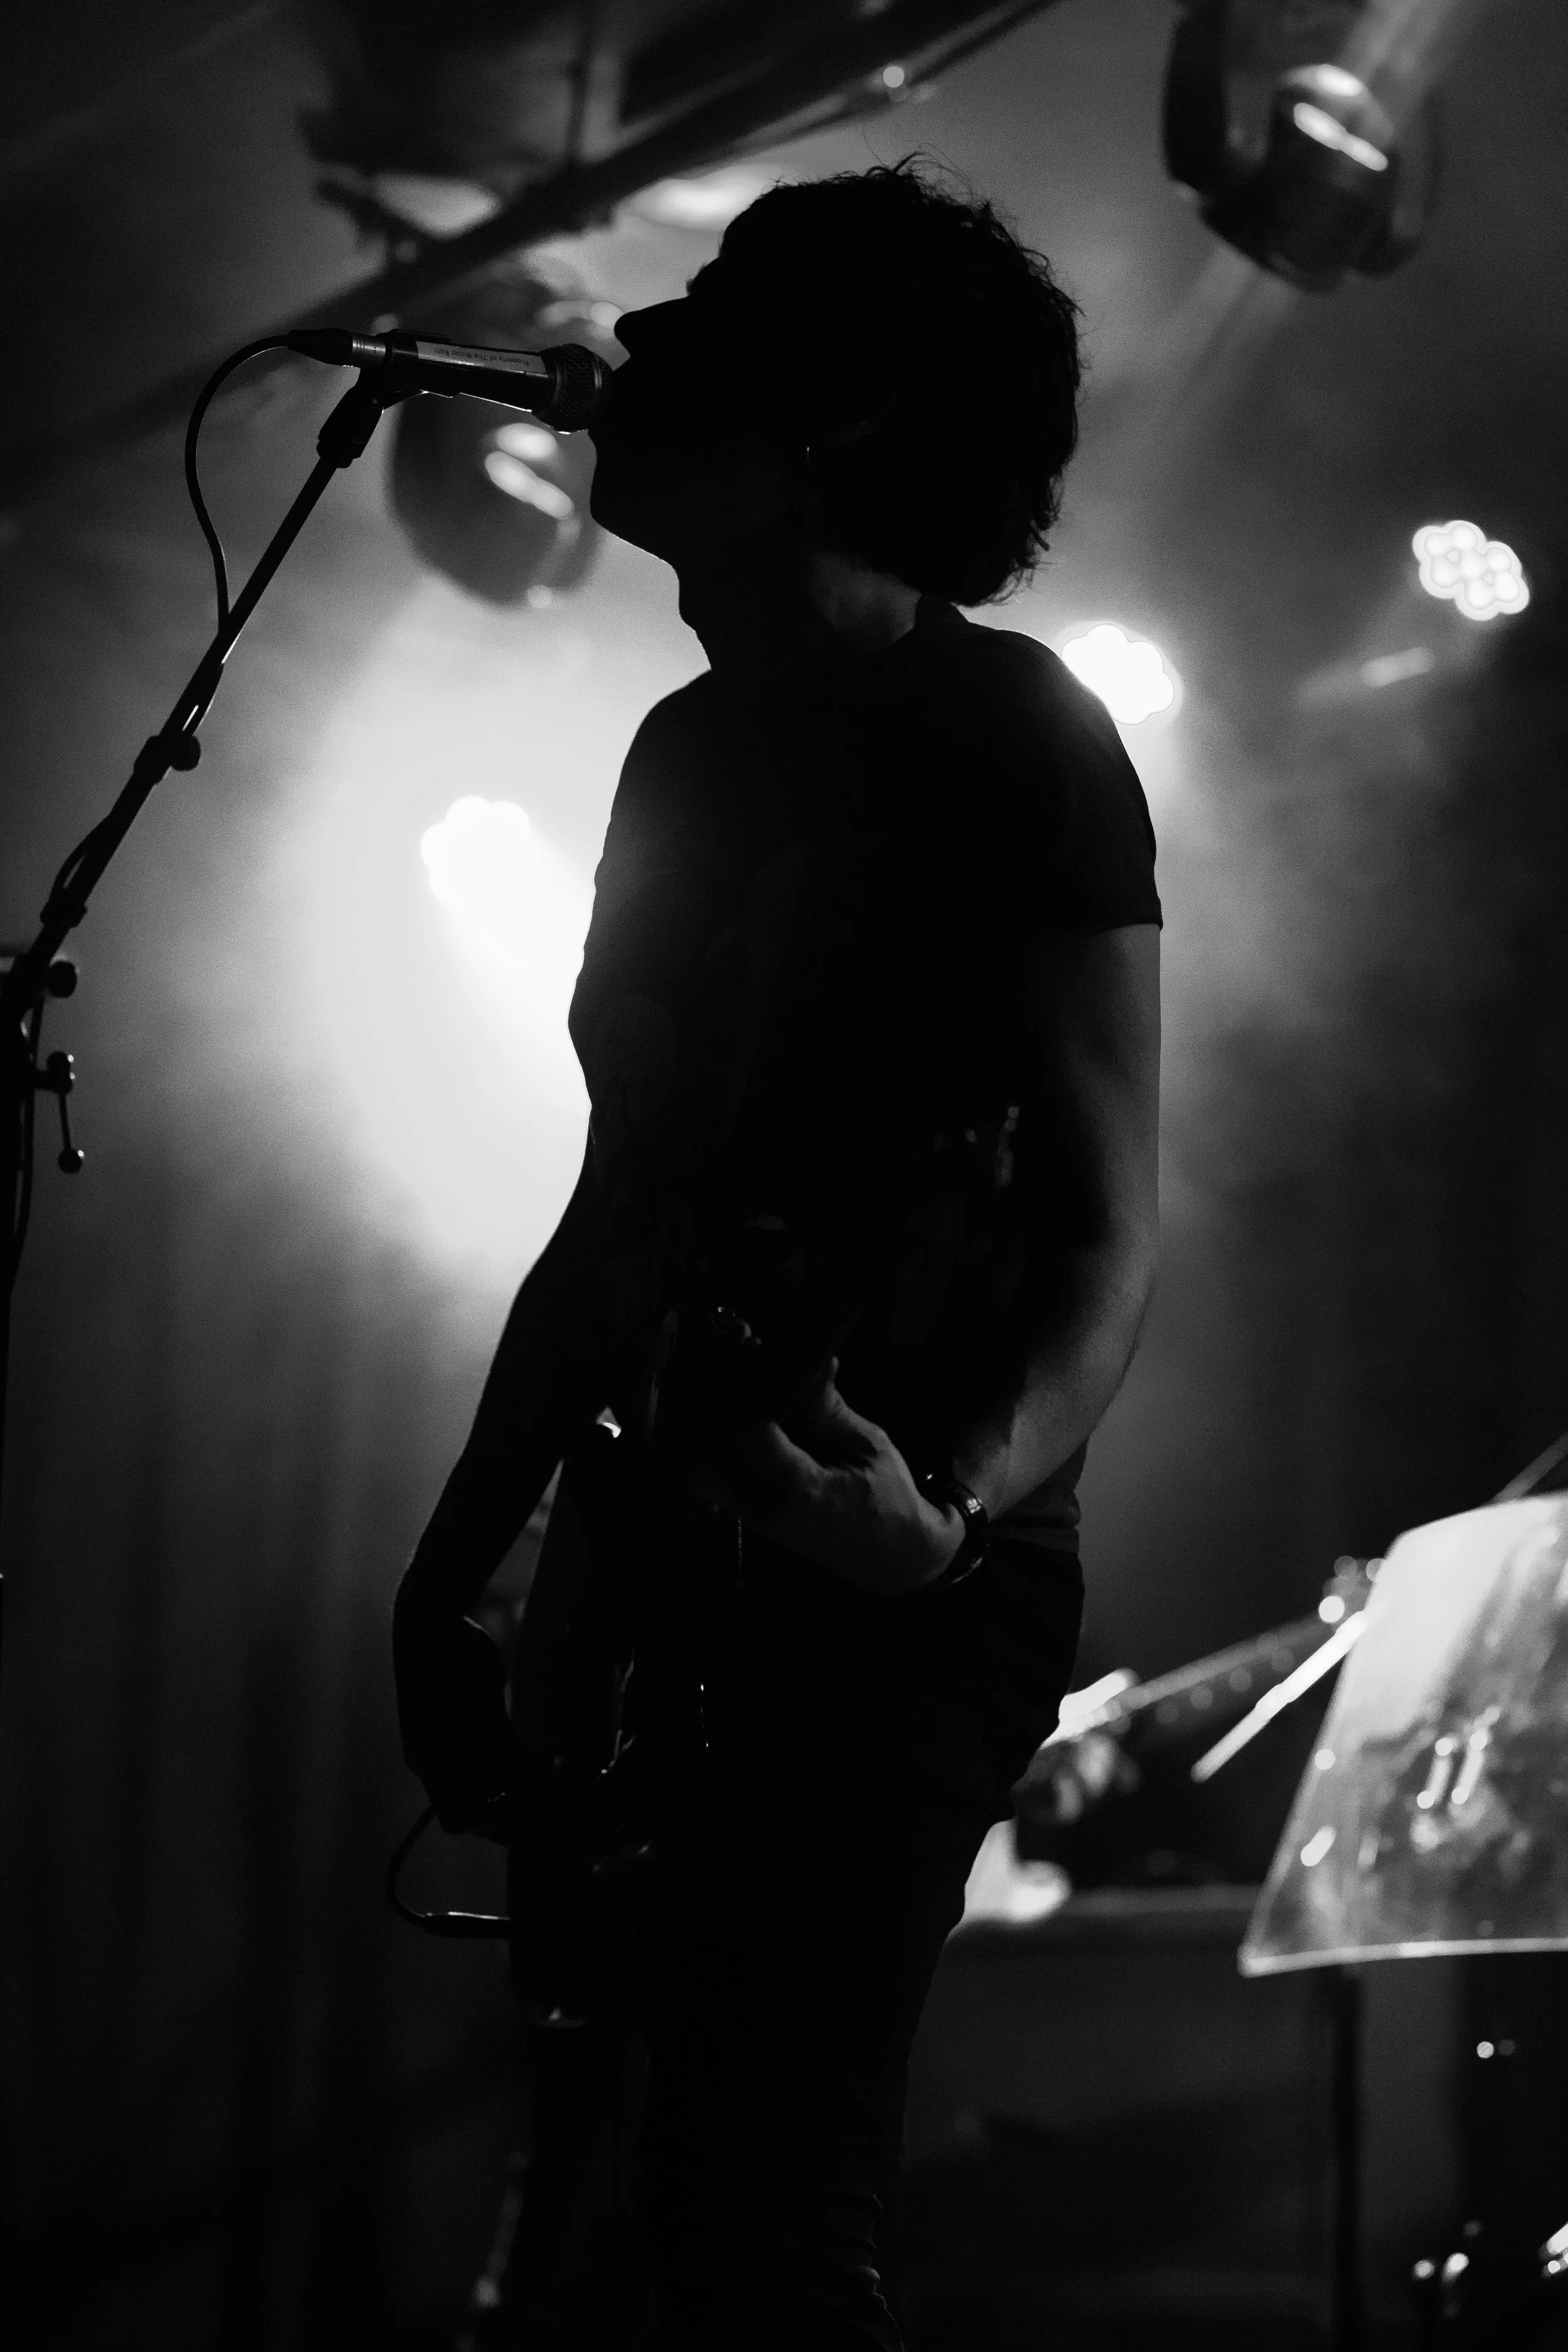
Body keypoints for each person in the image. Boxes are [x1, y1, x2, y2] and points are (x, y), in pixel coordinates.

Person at [393, 162, 1162, 2351]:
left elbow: (1111, 1220)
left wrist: (940, 1513)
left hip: (900, 1582)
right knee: (590, 2214)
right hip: (656, 1560)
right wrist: (461, 1554)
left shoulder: (1016, 733)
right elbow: (619, 1195)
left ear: (835, 409)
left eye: (710, 306)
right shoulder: (678, 751)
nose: (635, 340)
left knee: (759, 2204)